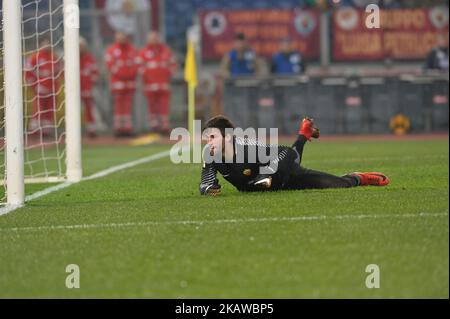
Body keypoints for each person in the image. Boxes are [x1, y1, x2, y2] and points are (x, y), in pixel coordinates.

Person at [199, 115, 390, 196]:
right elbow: (205, 182)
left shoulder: (248, 147)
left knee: (340, 185)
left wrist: (268, 174)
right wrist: (208, 188)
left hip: (287, 176)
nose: (208, 142)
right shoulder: (210, 155)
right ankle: (304, 133)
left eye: (213, 136)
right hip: (268, 188)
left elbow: (286, 153)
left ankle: (359, 177)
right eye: (206, 137)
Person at [138, 31, 177, 134]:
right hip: (150, 86)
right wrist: (147, 79)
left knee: (164, 107)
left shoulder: (166, 51)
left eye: (155, 38)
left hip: (164, 85)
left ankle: (165, 127)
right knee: (152, 108)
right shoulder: (144, 52)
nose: (154, 40)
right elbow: (140, 68)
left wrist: (167, 75)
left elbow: (173, 65)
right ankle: (154, 128)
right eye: (152, 38)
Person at [25, 37, 63, 137]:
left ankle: (46, 132)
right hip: (40, 89)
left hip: (52, 90)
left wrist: (56, 86)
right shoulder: (34, 57)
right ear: (40, 45)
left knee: (50, 111)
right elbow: (28, 73)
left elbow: (59, 73)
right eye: (45, 44)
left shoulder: (54, 57)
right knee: (38, 110)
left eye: (48, 44)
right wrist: (34, 86)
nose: (47, 46)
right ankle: (33, 132)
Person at [105, 32, 139, 137]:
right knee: (118, 107)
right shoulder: (111, 50)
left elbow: (137, 65)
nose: (121, 40)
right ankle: (118, 129)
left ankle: (127, 128)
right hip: (117, 83)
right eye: (119, 38)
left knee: (128, 107)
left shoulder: (132, 50)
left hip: (129, 83)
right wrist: (123, 74)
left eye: (123, 37)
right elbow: (110, 66)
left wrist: (128, 74)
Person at [80, 37, 99, 138]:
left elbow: (95, 73)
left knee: (89, 110)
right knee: (72, 110)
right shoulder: (70, 59)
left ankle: (91, 130)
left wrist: (90, 85)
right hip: (74, 91)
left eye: (82, 46)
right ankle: (72, 131)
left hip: (87, 89)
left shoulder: (89, 59)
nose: (80, 48)